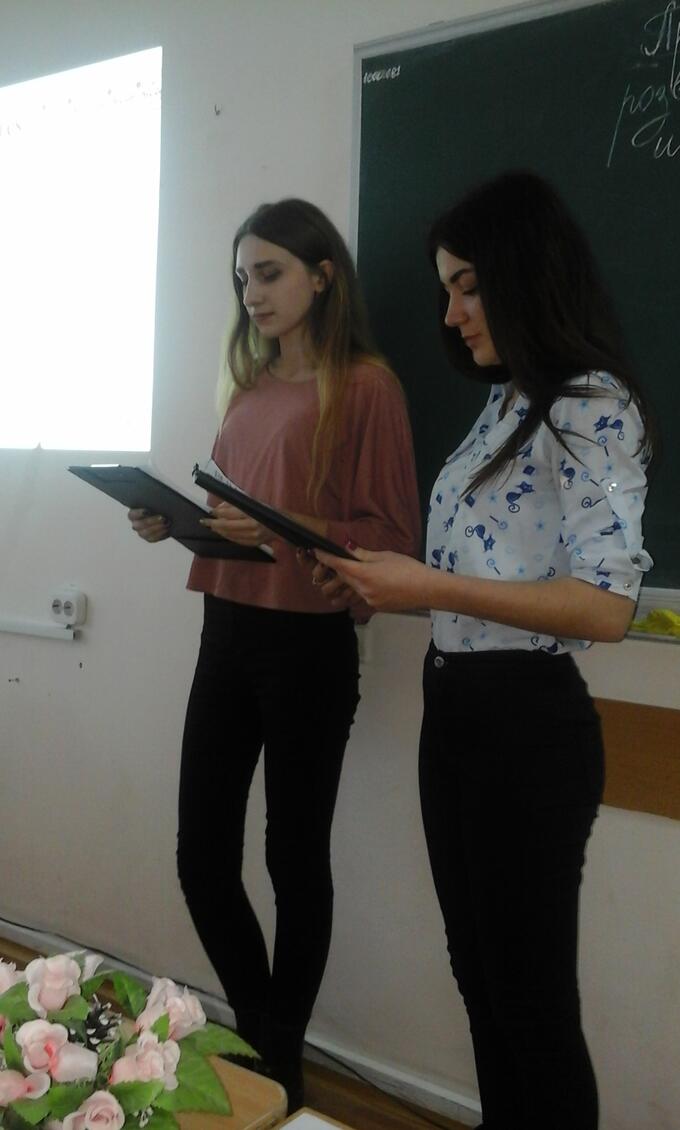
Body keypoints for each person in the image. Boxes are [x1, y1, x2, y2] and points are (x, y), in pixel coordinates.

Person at [314, 171, 654, 1130]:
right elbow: (484, 578)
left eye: (468, 286)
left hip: (526, 728)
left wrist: (425, 587)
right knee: (480, 977)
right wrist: (383, 584)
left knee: (532, 1004)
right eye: (447, 290)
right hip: (456, 710)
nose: (452, 313)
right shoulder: (506, 403)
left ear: (523, 273)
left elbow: (606, 607)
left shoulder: (591, 404)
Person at [128, 198, 421, 1111]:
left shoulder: (366, 387)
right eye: (242, 277)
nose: (251, 293)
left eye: (269, 273)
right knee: (201, 857)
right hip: (227, 628)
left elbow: (392, 537)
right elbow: (235, 518)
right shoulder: (248, 388)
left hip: (308, 644)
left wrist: (276, 525)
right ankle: (265, 1038)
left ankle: (275, 1061)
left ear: (321, 276)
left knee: (294, 861)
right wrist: (178, 522)